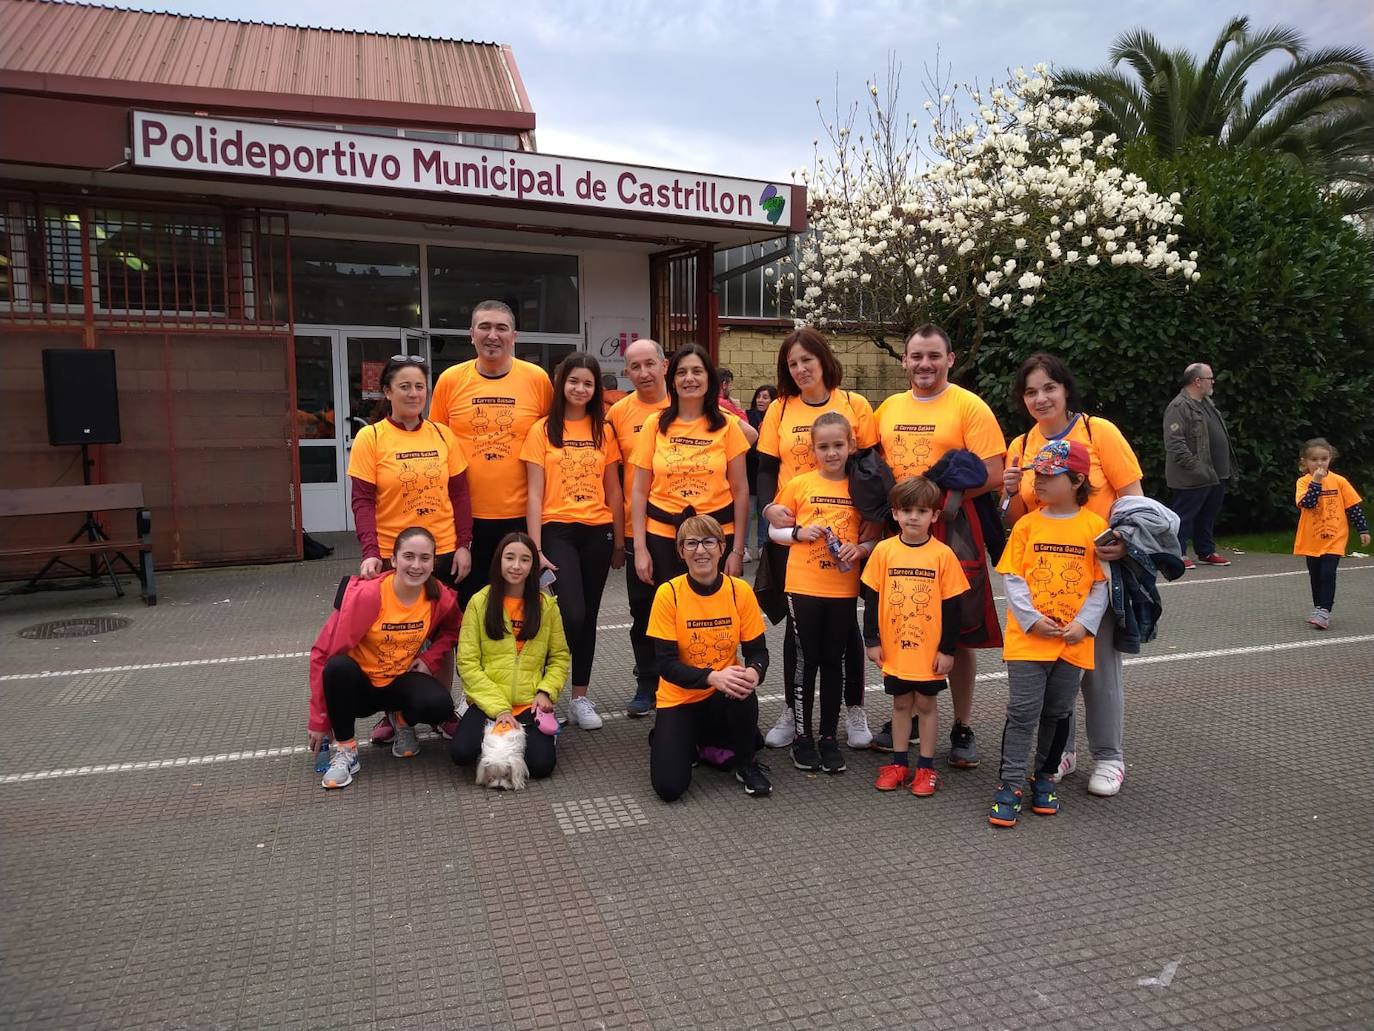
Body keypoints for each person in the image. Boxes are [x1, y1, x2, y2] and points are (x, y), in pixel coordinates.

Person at [1001, 352, 1143, 796]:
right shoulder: (1021, 446)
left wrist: (1124, 542)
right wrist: (1008, 496)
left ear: (1066, 389)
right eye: (1030, 391)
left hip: (1094, 574)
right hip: (1043, 579)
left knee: (1096, 668)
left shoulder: (1099, 432)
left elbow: (1135, 499)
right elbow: (1020, 522)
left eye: (1049, 387)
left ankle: (1109, 757)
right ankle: (1063, 752)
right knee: (1054, 670)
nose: (1041, 398)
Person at [873, 324, 1006, 765]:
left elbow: (993, 473)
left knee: (960, 631)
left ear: (950, 359)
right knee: (901, 620)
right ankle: (906, 717)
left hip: (953, 530)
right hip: (901, 528)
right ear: (904, 361)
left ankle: (962, 725)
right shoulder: (888, 408)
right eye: (916, 356)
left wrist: (937, 496)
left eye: (933, 356)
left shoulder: (970, 406)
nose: (924, 364)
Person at [757, 327, 879, 752]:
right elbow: (767, 467)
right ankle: (794, 712)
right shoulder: (780, 407)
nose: (801, 368)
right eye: (792, 363)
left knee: (846, 630)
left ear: (824, 359)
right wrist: (770, 508)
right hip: (796, 528)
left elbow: (872, 470)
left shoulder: (855, 404)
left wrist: (874, 524)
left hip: (845, 535)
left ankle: (854, 709)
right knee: (797, 632)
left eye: (807, 359)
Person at [349, 354, 472, 744]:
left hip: (442, 551)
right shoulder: (371, 437)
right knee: (393, 637)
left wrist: (464, 545)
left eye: (420, 386)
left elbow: (460, 494)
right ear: (387, 391)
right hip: (391, 556)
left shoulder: (442, 435)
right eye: (404, 386)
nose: (413, 393)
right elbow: (363, 500)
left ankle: (441, 710)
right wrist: (371, 551)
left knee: (440, 635)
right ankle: (395, 713)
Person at [989, 440, 1109, 827]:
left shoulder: (1095, 527)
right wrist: (1030, 619)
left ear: (1076, 480)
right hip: (1028, 641)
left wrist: (1084, 625)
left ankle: (1044, 778)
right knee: (1023, 712)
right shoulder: (1026, 524)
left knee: (1057, 713)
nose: (1037, 482)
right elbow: (1013, 576)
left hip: (1072, 642)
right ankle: (1009, 784)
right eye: (1035, 475)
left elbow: (1101, 584)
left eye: (1047, 476)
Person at [309, 526, 461, 790]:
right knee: (337, 668)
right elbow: (322, 653)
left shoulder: (439, 596)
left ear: (433, 562)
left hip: (399, 684)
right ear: (394, 560)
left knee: (440, 705)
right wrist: (320, 720)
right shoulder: (368, 595)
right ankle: (346, 751)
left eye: (425, 558)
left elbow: (454, 629)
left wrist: (429, 658)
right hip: (359, 689)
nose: (416, 565)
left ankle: (401, 720)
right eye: (409, 557)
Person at [521, 353, 624, 730]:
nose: (580, 389)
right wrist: (535, 549)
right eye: (573, 381)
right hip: (557, 530)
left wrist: (618, 541)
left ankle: (580, 699)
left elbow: (613, 489)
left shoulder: (604, 431)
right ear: (561, 384)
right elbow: (533, 494)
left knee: (590, 617)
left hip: (598, 531)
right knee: (571, 614)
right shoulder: (542, 431)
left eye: (588, 383)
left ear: (596, 390)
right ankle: (545, 690)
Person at [429, 300, 553, 606]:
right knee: (467, 609)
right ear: (471, 334)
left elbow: (553, 447)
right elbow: (435, 448)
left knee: (519, 609)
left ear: (515, 336)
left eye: (501, 327)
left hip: (522, 518)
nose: (492, 335)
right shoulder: (450, 381)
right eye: (484, 327)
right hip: (466, 521)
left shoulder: (537, 379)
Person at [647, 515, 772, 800]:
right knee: (669, 788)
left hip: (723, 695)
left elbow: (758, 652)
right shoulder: (669, 594)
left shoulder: (739, 591)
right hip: (681, 697)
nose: (700, 550)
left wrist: (754, 672)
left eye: (708, 542)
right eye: (691, 543)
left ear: (721, 547)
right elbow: (665, 665)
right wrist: (711, 676)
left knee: (742, 685)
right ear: (680, 552)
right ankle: (682, 740)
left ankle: (746, 764)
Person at [863, 477, 970, 796]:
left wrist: (948, 650)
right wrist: (872, 640)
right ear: (895, 514)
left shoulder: (943, 555)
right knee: (900, 704)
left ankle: (925, 767)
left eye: (921, 510)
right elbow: (871, 599)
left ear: (934, 516)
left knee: (925, 703)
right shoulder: (883, 551)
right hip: (895, 650)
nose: (913, 517)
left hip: (928, 652)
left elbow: (953, 607)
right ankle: (898, 763)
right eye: (906, 510)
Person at [448, 533, 570, 779]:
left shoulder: (546, 606)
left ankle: (506, 740)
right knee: (461, 753)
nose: (516, 566)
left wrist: (546, 691)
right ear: (498, 562)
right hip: (487, 701)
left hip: (529, 702)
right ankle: (498, 736)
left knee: (541, 766)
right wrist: (500, 709)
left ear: (533, 566)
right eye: (509, 558)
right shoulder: (479, 602)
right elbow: (467, 663)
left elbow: (559, 657)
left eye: (525, 560)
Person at [631, 344, 751, 588]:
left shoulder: (727, 426)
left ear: (709, 378)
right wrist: (640, 548)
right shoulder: (654, 424)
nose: (689, 378)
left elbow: (741, 492)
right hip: (663, 538)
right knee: (669, 614)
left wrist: (737, 551)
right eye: (681, 372)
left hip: (716, 537)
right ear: (672, 380)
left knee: (712, 614)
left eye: (697, 371)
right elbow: (639, 490)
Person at [605, 338, 671, 716]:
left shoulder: (686, 406)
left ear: (664, 366)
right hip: (637, 532)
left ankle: (676, 680)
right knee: (642, 612)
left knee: (680, 608)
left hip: (680, 531)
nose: (644, 373)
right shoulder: (618, 414)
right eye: (635, 367)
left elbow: (748, 436)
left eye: (650, 364)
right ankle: (646, 683)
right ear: (627, 372)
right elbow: (611, 476)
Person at [1163, 363, 1235, 569]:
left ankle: (1206, 550)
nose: (1212, 382)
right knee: (1184, 515)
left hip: (1215, 473)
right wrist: (1196, 467)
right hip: (1193, 475)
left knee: (1208, 514)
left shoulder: (1207, 403)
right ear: (1197, 381)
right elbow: (1175, 443)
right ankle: (1177, 553)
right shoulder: (1179, 407)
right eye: (1209, 378)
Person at [1294, 438, 1369, 631]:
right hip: (1311, 539)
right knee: (1316, 575)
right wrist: (1316, 482)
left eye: (1324, 459)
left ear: (1330, 459)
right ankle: (1319, 607)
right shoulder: (1303, 483)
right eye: (1314, 459)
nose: (1319, 463)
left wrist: (1362, 529)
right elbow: (1308, 503)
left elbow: (1353, 506)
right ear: (1305, 462)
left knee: (1328, 573)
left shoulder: (1339, 481)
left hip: (1335, 537)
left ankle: (1325, 611)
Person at [745, 383, 776, 560]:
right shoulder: (749, 416)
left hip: (766, 472)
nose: (760, 400)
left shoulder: (777, 418)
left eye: (765, 397)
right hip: (749, 471)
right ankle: (746, 548)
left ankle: (763, 545)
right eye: (759, 396)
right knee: (748, 512)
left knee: (765, 512)